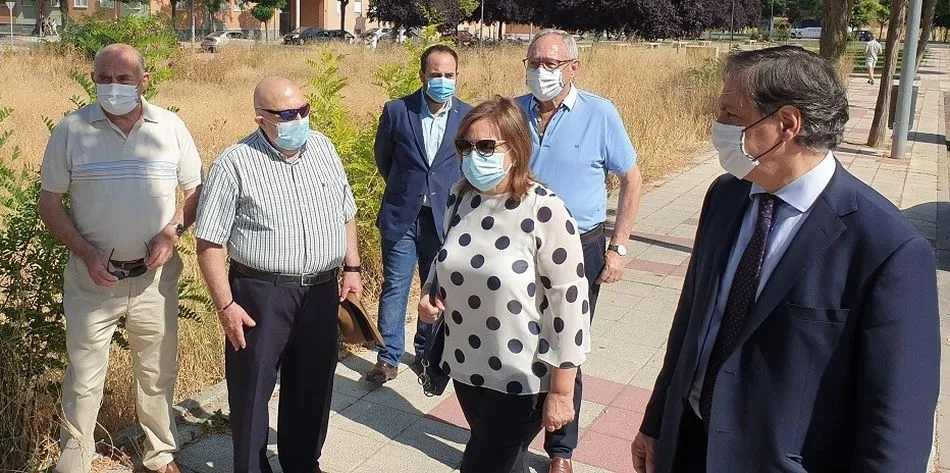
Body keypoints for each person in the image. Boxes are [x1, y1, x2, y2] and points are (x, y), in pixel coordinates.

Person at [631, 46, 939, 473]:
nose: (717, 127)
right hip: (688, 447)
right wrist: (657, 419)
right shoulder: (726, 196)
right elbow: (691, 324)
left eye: (731, 114)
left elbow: (896, 419)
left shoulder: (888, 247)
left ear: (787, 124)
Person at [39, 43, 202, 473]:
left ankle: (159, 455)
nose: (113, 87)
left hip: (155, 278)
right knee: (84, 376)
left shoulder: (170, 127)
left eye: (123, 79)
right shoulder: (71, 130)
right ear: (93, 80)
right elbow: (50, 204)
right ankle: (74, 461)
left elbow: (195, 191)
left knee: (157, 372)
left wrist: (173, 231)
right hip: (92, 279)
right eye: (104, 79)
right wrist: (87, 252)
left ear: (144, 81)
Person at [194, 76, 363, 473]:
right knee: (252, 391)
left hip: (321, 291)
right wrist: (226, 306)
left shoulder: (322, 147)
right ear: (261, 120)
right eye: (287, 114)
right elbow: (210, 244)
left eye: (304, 110)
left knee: (313, 385)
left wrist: (352, 268)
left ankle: (303, 462)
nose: (300, 119)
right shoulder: (233, 163)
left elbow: (346, 211)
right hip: (260, 294)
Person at [418, 96, 591, 473]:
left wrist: (562, 390)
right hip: (466, 366)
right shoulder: (460, 196)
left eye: (486, 146)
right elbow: (445, 254)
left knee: (482, 464)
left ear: (515, 149)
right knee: (505, 462)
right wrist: (430, 292)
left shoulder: (544, 209)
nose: (473, 156)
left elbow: (570, 306)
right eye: (465, 146)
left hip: (522, 376)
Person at [515, 29, 643, 473]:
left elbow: (632, 180)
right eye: (534, 63)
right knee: (519, 341)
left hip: (579, 246)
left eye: (550, 64)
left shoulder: (600, 114)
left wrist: (619, 248)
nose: (541, 72)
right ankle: (513, 433)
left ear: (573, 67)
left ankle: (561, 450)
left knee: (566, 344)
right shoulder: (514, 113)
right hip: (519, 246)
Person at [369, 44, 473, 384]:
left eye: (449, 75)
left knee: (436, 287)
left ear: (457, 77)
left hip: (443, 219)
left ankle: (427, 350)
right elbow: (384, 159)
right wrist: (408, 190)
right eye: (435, 75)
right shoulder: (398, 111)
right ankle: (388, 356)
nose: (442, 81)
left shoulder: (468, 117)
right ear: (422, 76)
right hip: (403, 214)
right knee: (396, 285)